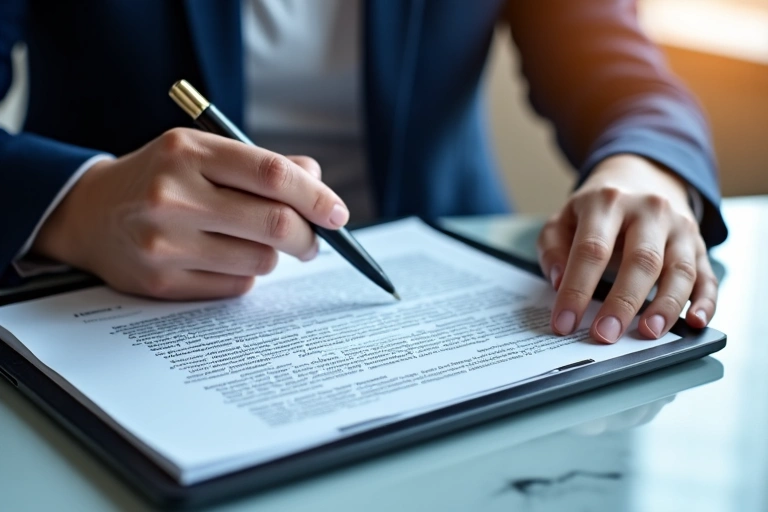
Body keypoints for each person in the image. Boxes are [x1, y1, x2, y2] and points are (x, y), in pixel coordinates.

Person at [0, 0, 727, 345]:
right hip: (111, 299)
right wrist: (76, 203)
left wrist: (649, 170)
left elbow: (619, 68)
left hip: (447, 282)